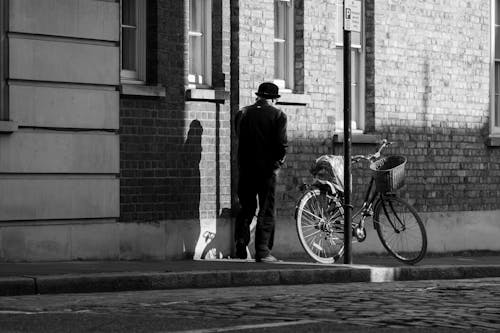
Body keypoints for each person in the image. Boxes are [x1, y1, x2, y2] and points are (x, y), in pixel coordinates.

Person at [234, 82, 288, 263]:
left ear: (258, 96)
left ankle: (240, 241)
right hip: (266, 170)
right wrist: (279, 160)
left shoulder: (242, 113)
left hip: (245, 167)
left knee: (246, 206)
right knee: (266, 209)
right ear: (273, 99)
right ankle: (263, 251)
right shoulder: (278, 115)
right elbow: (281, 144)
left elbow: (238, 136)